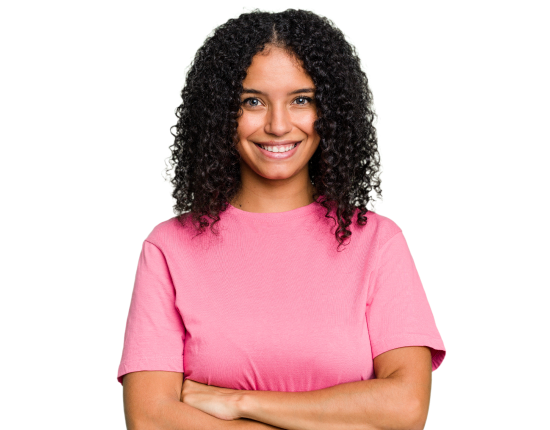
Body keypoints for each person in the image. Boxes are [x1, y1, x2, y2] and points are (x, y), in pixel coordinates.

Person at [119, 7, 446, 429]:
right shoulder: (168, 247)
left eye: (301, 100)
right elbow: (151, 419)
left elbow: (406, 407)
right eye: (252, 101)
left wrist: (240, 402)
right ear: (220, 113)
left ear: (331, 111)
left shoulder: (378, 241)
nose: (277, 125)